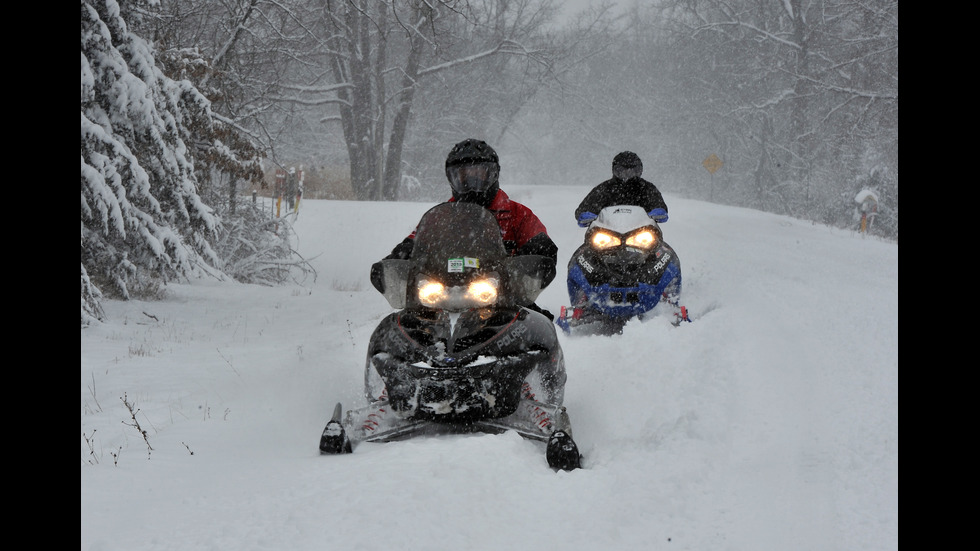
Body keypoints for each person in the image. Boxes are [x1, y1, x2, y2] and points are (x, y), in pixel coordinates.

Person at [370, 138, 558, 320]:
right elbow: (415, 241)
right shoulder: (440, 216)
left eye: (479, 173)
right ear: (452, 177)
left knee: (538, 327)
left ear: (493, 174)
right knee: (403, 327)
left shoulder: (517, 213)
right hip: (441, 296)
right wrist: (397, 259)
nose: (471, 181)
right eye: (464, 175)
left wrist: (535, 253)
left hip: (501, 298)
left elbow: (540, 242)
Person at [574, 151, 668, 227]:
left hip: (642, 231)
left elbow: (658, 204)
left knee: (661, 248)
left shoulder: (647, 188)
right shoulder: (604, 189)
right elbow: (584, 208)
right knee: (586, 248)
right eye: (622, 170)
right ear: (614, 170)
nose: (627, 174)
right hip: (607, 233)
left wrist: (659, 211)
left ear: (639, 170)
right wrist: (586, 214)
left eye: (632, 171)